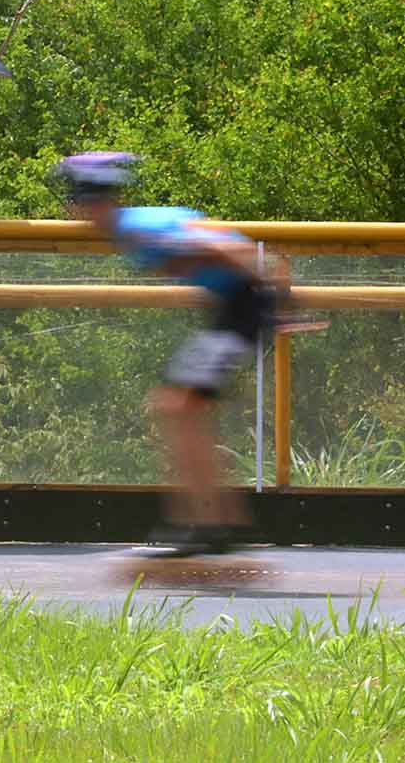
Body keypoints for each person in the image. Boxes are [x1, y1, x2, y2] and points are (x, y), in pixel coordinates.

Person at [53, 151, 282, 557]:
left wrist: (278, 294)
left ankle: (209, 522)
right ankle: (217, 521)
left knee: (175, 408)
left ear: (94, 202)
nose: (73, 211)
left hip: (245, 305)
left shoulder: (137, 230)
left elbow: (216, 244)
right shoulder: (131, 227)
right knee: (177, 407)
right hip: (235, 306)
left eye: (76, 201)